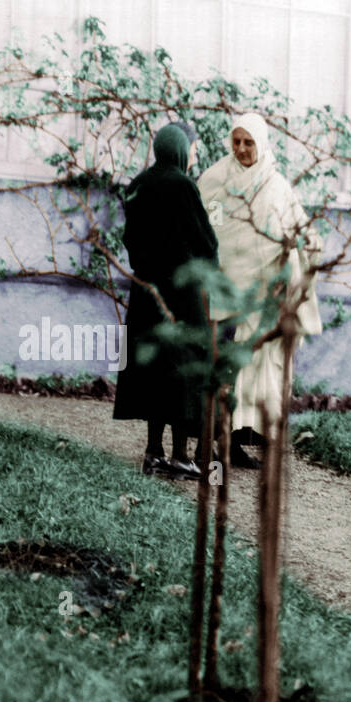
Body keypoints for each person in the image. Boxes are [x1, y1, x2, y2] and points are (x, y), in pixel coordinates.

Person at [196, 112, 323, 469]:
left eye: (248, 142)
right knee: (232, 367)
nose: (241, 149)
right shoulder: (216, 180)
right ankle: (223, 442)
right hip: (230, 291)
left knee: (265, 365)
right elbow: (212, 231)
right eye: (236, 141)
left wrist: (306, 246)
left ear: (261, 143)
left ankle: (251, 438)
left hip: (268, 296)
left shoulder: (276, 186)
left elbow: (301, 229)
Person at [113, 122, 219, 479]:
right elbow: (206, 241)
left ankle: (153, 452)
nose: (194, 157)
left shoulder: (138, 184)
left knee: (154, 369)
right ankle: (180, 456)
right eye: (192, 149)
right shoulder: (183, 185)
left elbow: (130, 240)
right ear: (180, 150)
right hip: (181, 295)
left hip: (147, 293)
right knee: (183, 371)